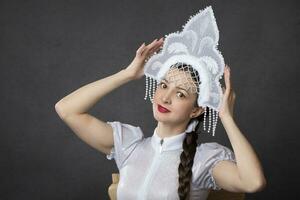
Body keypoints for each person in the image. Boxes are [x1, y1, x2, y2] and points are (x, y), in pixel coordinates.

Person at [55, 38, 266, 200]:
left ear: (196, 110)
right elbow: (66, 109)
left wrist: (226, 116)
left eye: (180, 94)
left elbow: (253, 183)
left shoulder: (203, 161)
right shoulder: (129, 145)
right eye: (164, 85)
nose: (165, 97)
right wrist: (126, 74)